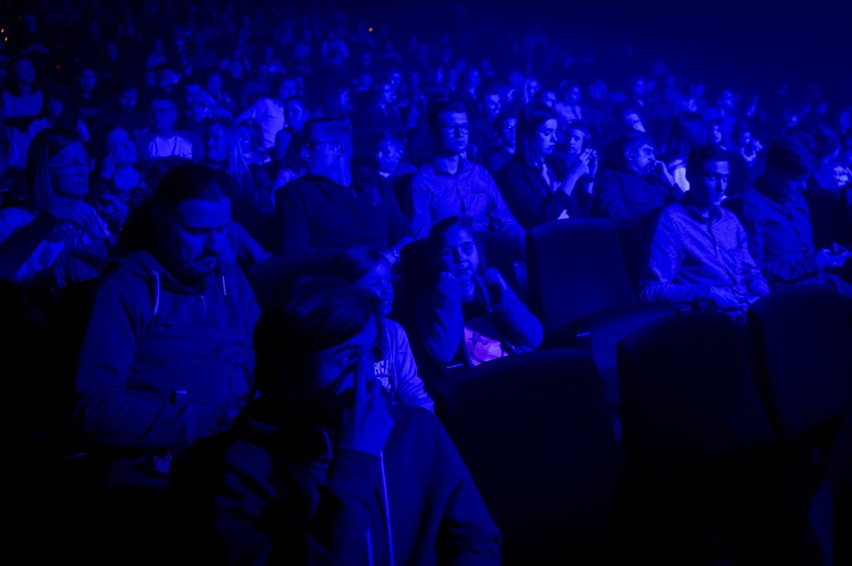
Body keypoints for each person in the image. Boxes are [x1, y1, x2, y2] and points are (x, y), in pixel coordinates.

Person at [210, 275, 501, 564]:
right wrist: (354, 462)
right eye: (348, 359)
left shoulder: (416, 430)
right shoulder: (238, 470)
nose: (369, 377)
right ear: (291, 370)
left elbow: (476, 540)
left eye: (372, 353)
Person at [72, 162, 261, 562]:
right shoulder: (126, 291)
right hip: (159, 474)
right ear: (161, 221)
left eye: (221, 229)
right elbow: (94, 408)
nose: (214, 245)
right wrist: (210, 420)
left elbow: (260, 365)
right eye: (197, 232)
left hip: (236, 462)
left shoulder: (231, 279)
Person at [640, 145, 770, 315]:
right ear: (689, 176)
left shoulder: (730, 220)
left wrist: (763, 298)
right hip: (711, 321)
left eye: (725, 178)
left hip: (747, 311)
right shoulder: (671, 221)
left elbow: (751, 272)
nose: (721, 187)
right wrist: (708, 292)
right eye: (712, 177)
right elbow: (650, 291)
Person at [273, 117, 413, 260]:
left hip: (385, 277)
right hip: (334, 279)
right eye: (303, 146)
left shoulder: (376, 183)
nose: (303, 154)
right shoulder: (295, 194)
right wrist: (356, 266)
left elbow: (406, 236)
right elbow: (295, 256)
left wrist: (388, 258)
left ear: (339, 149)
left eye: (312, 145)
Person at [416, 214, 543, 372]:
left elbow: (534, 338)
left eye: (467, 249)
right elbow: (443, 353)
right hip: (477, 382)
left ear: (477, 252)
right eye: (448, 253)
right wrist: (449, 292)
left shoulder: (491, 285)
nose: (460, 258)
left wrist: (504, 297)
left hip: (514, 368)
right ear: (436, 259)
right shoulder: (427, 302)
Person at [408, 100, 524, 267]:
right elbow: (421, 239)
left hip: (490, 249)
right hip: (454, 259)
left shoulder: (479, 173)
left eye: (464, 127)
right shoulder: (423, 183)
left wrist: (530, 242)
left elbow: (504, 220)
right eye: (451, 128)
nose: (460, 133)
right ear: (434, 133)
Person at [739, 135, 852, 299]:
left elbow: (804, 252)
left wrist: (828, 257)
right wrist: (811, 265)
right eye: (796, 180)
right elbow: (754, 270)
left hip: (818, 282)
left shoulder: (796, 197)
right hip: (789, 295)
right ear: (774, 172)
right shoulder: (751, 206)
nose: (803, 187)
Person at [0, 127, 113, 288]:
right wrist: (48, 221)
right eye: (72, 164)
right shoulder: (10, 218)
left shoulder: (86, 213)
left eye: (85, 162)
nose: (83, 171)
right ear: (45, 169)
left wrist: (109, 241)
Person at [331, 245, 435, 412]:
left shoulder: (394, 332)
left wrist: (427, 416)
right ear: (350, 290)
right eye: (374, 283)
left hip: (395, 417)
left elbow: (410, 386)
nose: (386, 290)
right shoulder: (342, 340)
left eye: (388, 281)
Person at [495, 103, 596, 229]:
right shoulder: (511, 173)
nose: (555, 139)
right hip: (550, 243)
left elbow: (580, 215)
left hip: (572, 234)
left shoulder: (555, 164)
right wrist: (573, 176)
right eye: (548, 133)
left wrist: (588, 180)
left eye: (555, 132)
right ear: (529, 134)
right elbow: (541, 221)